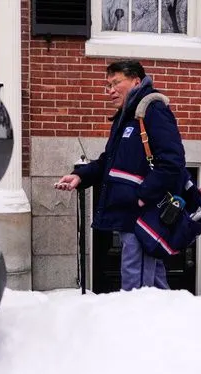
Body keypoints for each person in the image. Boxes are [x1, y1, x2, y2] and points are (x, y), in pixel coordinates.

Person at [55, 60, 188, 291]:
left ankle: (137, 326)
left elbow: (173, 162)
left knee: (137, 286)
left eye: (116, 83)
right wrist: (80, 177)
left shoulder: (152, 110)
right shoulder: (125, 117)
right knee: (150, 282)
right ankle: (166, 324)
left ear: (136, 81)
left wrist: (143, 195)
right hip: (131, 214)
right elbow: (109, 160)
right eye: (108, 86)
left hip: (144, 214)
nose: (110, 90)